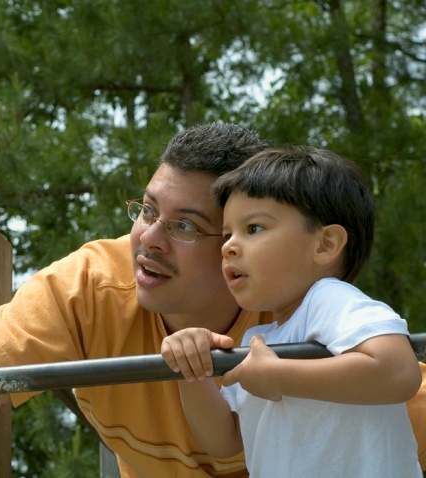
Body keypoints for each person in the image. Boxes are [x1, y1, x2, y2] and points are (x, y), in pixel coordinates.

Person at [0, 124, 426, 477]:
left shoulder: (309, 316)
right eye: (147, 210)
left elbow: (392, 378)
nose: (146, 238)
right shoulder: (92, 286)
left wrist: (269, 371)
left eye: (185, 225)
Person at [161, 146, 422, 476]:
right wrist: (192, 369)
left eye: (253, 228)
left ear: (325, 244)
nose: (228, 246)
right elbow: (224, 440)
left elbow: (398, 372)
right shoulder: (261, 338)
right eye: (227, 234)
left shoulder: (330, 300)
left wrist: (278, 376)